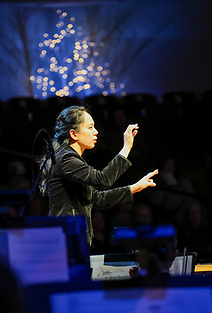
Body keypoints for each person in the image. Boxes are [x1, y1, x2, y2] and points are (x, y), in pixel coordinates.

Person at [39, 105, 158, 246]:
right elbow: (103, 179)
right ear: (73, 134)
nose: (96, 132)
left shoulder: (70, 158)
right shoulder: (66, 159)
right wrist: (126, 147)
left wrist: (134, 188)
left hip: (71, 235)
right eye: (90, 127)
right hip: (65, 236)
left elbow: (97, 199)